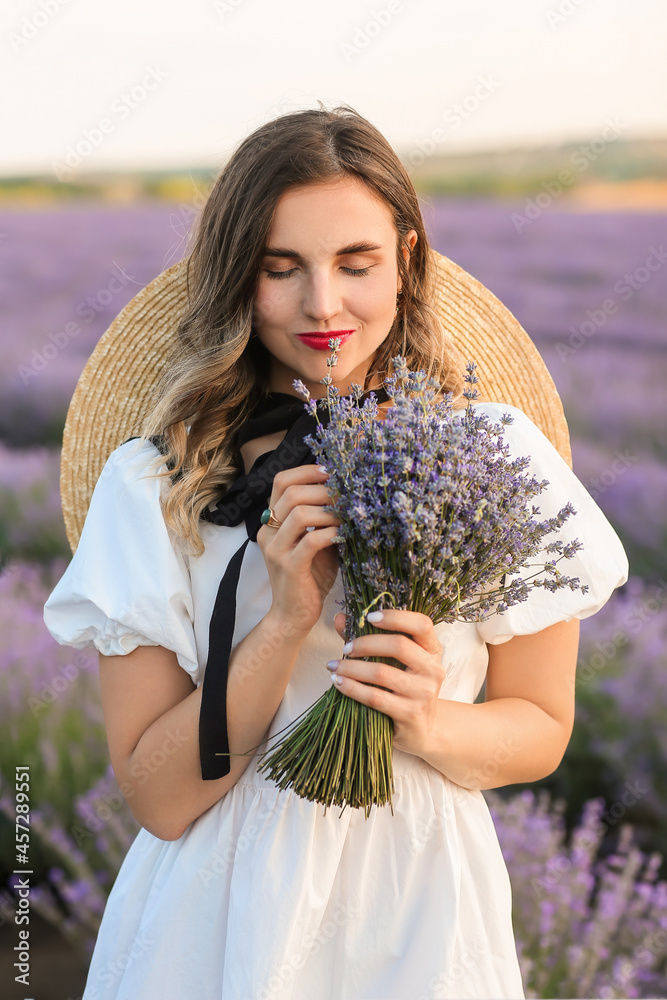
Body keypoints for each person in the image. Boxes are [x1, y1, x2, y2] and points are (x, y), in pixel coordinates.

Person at [44, 104, 628, 1000]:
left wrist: (426, 718)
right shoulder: (153, 482)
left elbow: (539, 731)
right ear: (238, 280)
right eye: (281, 270)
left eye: (355, 264)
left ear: (406, 260)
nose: (323, 305)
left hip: (421, 906)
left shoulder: (492, 457)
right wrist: (283, 622)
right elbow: (159, 798)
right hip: (219, 911)